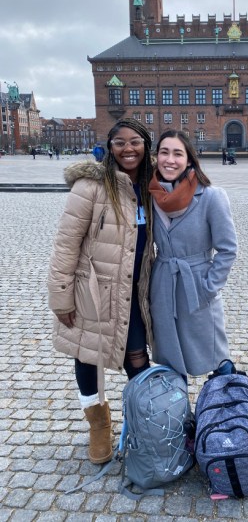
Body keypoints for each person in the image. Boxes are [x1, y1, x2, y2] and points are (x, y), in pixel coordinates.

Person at [48, 118, 155, 465]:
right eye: (119, 142)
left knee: (137, 357)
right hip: (93, 290)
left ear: (146, 145)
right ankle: (99, 426)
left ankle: (144, 424)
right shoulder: (90, 186)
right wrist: (61, 295)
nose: (128, 149)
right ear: (109, 147)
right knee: (87, 355)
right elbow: (66, 244)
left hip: (134, 291)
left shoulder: (152, 185)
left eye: (135, 141)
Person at [148, 130, 237, 380]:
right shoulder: (150, 196)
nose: (170, 160)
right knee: (170, 361)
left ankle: (227, 400)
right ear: (156, 157)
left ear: (189, 160)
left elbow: (228, 248)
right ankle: (176, 405)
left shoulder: (211, 196)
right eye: (164, 152)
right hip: (163, 286)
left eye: (178, 154)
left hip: (196, 284)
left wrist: (209, 287)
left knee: (216, 356)